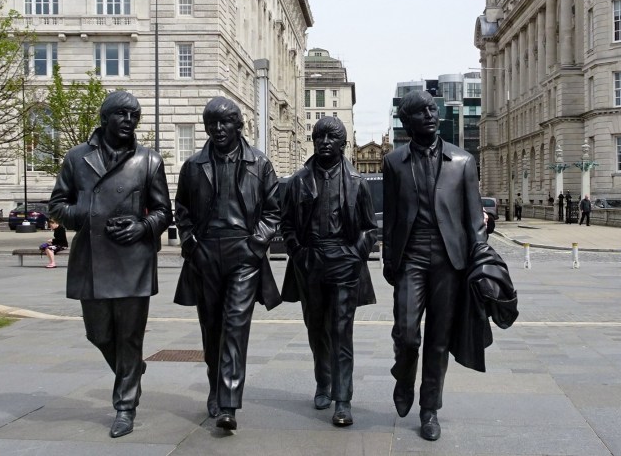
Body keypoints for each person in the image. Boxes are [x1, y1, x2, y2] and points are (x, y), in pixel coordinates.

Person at [48, 91, 172, 438]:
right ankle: (130, 369)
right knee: (98, 333)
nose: (130, 121)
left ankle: (125, 406)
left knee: (130, 337)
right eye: (122, 114)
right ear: (105, 119)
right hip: (92, 258)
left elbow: (164, 211)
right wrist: (87, 213)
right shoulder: (77, 158)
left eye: (134, 115)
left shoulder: (148, 161)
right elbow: (57, 205)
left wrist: (142, 226)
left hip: (133, 260)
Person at [382, 91, 487, 442]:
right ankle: (403, 376)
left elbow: (474, 221)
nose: (429, 115)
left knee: (438, 340)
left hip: (449, 260)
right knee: (407, 333)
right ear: (406, 121)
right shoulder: (394, 162)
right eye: (420, 112)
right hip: (411, 256)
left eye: (432, 109)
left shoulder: (462, 161)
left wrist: (481, 262)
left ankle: (430, 410)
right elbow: (392, 218)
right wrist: (388, 259)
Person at [174, 96, 281, 432]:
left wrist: (256, 243)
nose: (218, 129)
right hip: (205, 254)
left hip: (243, 255)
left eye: (225, 122)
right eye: (212, 123)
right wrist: (190, 243)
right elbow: (182, 210)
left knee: (235, 326)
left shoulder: (259, 164)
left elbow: (274, 210)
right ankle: (215, 385)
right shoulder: (193, 166)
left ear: (239, 124)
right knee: (212, 329)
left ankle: (228, 403)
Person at [280, 116, 377, 427]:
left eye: (331, 138)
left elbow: (369, 229)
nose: (324, 142)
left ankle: (343, 398)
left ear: (343, 145)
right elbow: (287, 225)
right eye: (319, 137)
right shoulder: (298, 181)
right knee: (315, 328)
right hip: (311, 261)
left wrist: (355, 254)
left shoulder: (357, 182)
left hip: (344, 262)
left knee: (341, 332)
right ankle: (323, 381)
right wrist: (299, 252)